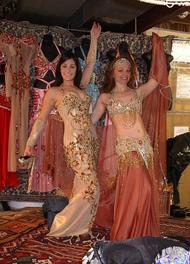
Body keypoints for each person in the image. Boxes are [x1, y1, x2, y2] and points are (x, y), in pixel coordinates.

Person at [24, 22, 101, 237]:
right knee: (92, 185)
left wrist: (94, 39)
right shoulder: (54, 92)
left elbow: (92, 62)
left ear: (76, 69)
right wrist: (30, 145)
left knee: (81, 185)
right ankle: (61, 224)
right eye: (65, 66)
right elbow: (40, 120)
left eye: (72, 67)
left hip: (91, 141)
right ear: (60, 69)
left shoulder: (82, 88)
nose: (68, 70)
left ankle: (81, 226)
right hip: (74, 143)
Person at [91, 33, 168, 240]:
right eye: (120, 70)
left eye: (127, 70)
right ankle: (126, 234)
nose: (124, 74)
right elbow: (90, 121)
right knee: (139, 189)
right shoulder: (106, 98)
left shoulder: (138, 92)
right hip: (127, 149)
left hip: (145, 147)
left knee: (146, 192)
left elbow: (156, 79)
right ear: (112, 72)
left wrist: (158, 50)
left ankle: (141, 235)